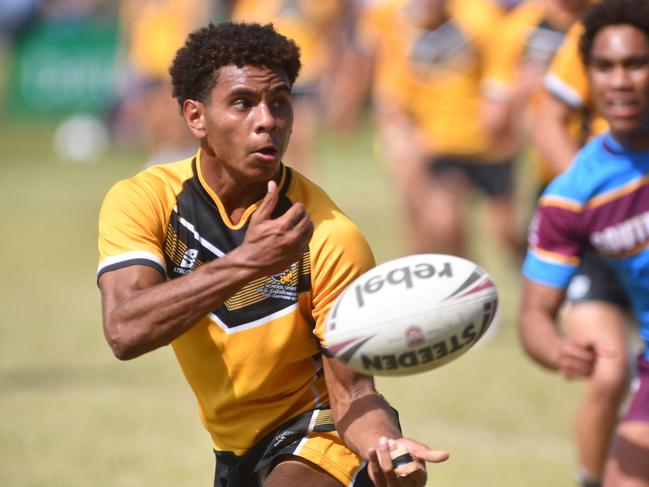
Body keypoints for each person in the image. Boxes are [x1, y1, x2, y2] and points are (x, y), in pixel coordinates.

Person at [97, 21, 448, 487]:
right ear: (195, 116)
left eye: (280, 103)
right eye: (243, 103)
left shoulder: (328, 235)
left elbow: (353, 391)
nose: (267, 120)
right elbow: (125, 329)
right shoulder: (147, 200)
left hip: (317, 438)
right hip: (234, 449)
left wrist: (384, 448)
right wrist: (247, 262)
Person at [518, 2, 649, 487]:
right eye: (605, 67)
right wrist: (557, 350)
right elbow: (534, 313)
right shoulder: (574, 196)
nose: (619, 81)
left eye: (636, 64)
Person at [354, 0, 520, 258]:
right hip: (441, 147)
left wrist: (499, 103)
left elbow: (502, 67)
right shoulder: (406, 25)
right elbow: (394, 87)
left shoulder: (481, 17)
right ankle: (463, 284)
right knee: (444, 224)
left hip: (489, 146)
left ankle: (540, 275)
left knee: (506, 232)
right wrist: (399, 128)